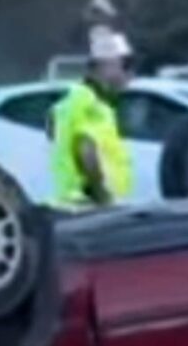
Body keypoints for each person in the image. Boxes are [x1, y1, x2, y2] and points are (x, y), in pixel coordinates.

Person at [50, 26, 135, 209]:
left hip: (74, 204)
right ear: (106, 66)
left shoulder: (74, 99)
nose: (128, 75)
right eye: (124, 66)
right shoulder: (91, 103)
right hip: (88, 206)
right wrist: (103, 199)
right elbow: (86, 151)